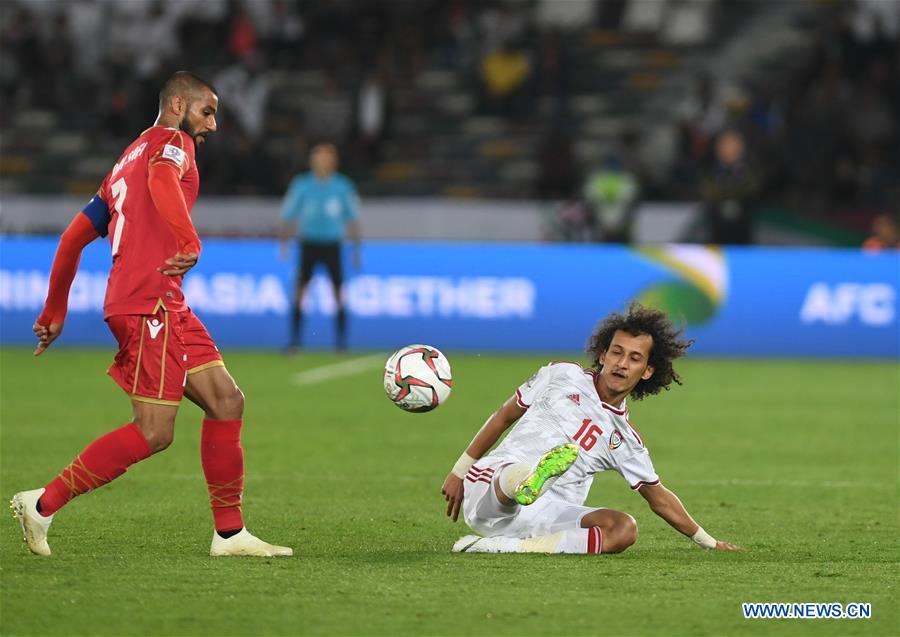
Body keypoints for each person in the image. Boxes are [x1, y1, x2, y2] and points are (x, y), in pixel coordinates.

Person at [11, 71, 291, 558]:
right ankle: (44, 502)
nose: (214, 125)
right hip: (147, 302)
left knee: (227, 400)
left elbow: (72, 238)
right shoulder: (172, 142)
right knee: (154, 430)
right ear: (179, 105)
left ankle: (230, 535)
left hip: (161, 302)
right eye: (208, 112)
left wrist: (54, 308)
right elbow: (164, 178)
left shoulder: (123, 161)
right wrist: (189, 238)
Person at [441, 303, 739, 555]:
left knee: (624, 529)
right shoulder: (561, 375)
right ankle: (527, 480)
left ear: (647, 371)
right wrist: (459, 471)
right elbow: (504, 416)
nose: (622, 363)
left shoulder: (624, 440)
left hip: (546, 515)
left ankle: (507, 546)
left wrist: (709, 542)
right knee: (515, 472)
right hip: (491, 491)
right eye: (617, 353)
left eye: (634, 358)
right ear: (602, 355)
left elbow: (659, 499)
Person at [279, 143, 361, 352]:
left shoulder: (343, 186)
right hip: (309, 244)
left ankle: (341, 343)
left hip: (332, 245)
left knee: (338, 292)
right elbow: (289, 215)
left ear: (333, 162)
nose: (321, 162)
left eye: (325, 158)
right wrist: (284, 243)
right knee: (300, 291)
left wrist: (356, 249)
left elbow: (352, 219)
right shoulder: (302, 185)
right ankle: (295, 342)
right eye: (318, 158)